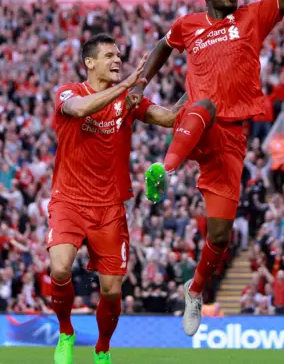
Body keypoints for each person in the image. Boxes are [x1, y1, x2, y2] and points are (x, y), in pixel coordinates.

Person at [127, 0, 284, 336]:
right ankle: (165, 169)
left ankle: (194, 290)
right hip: (197, 119)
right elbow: (163, 45)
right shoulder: (188, 24)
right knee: (203, 103)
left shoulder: (251, 17)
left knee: (220, 236)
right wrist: (142, 80)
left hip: (230, 137)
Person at [48, 33, 185, 364]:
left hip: (110, 208)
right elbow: (80, 109)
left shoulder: (128, 101)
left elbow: (169, 118)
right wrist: (127, 86)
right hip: (69, 201)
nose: (117, 60)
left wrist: (198, 87)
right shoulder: (69, 91)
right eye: (109, 55)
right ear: (90, 63)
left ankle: (102, 350)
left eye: (119, 55)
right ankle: (66, 332)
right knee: (60, 268)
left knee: (111, 290)